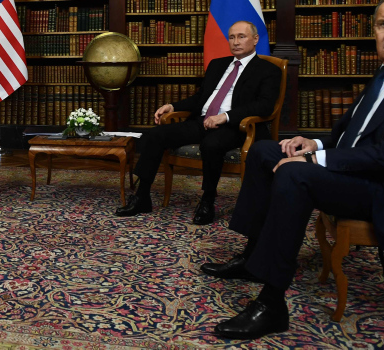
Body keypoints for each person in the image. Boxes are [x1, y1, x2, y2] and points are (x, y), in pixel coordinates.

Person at [203, 0, 384, 339]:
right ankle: (253, 257)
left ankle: (271, 304)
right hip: (357, 171)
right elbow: (352, 133)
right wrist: (313, 144)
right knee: (264, 151)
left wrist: (314, 159)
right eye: (383, 24)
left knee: (294, 173)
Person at [115, 20, 282, 224]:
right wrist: (173, 106)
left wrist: (226, 116)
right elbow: (200, 98)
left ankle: (207, 201)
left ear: (255, 39)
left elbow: (264, 106)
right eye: (232, 37)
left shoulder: (268, 70)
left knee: (211, 144)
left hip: (236, 126)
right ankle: (142, 196)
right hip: (202, 121)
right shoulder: (218, 64)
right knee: (154, 135)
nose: (236, 42)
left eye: (242, 36)